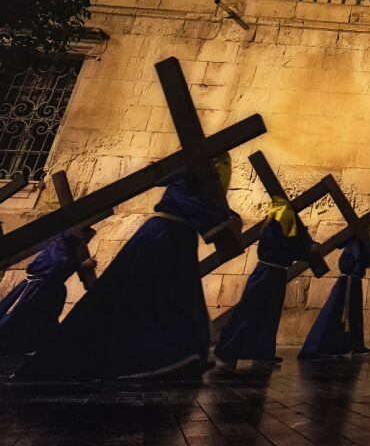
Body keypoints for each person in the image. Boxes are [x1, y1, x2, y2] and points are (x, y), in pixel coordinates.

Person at [16, 154, 237, 381]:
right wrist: (226, 220)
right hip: (165, 238)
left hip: (175, 239)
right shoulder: (190, 178)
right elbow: (197, 205)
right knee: (147, 297)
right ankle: (157, 353)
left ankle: (180, 352)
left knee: (175, 297)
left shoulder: (194, 178)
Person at [215, 196, 321, 365]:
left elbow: (290, 245)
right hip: (266, 274)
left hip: (274, 274)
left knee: (269, 315)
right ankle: (227, 350)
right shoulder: (273, 228)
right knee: (249, 313)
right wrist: (308, 250)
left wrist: (307, 249)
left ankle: (262, 351)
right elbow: (285, 249)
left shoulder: (276, 228)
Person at [0, 229, 95, 356]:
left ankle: (42, 346)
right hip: (39, 289)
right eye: (86, 237)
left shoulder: (71, 244)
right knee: (24, 317)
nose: (87, 241)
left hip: (50, 290)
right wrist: (82, 266)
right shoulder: (60, 243)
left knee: (45, 320)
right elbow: (56, 266)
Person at [298, 237, 370, 359]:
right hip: (348, 282)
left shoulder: (357, 243)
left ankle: (354, 346)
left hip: (353, 281)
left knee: (354, 315)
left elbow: (362, 258)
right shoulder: (354, 243)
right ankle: (324, 346)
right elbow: (359, 258)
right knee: (341, 313)